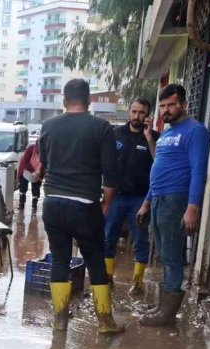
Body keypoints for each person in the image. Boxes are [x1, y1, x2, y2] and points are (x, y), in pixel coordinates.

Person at [36, 79, 122, 334]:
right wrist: (106, 202)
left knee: (60, 259)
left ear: (64, 101)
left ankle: (59, 320)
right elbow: (111, 173)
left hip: (52, 203)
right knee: (95, 260)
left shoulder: (48, 126)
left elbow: (44, 163)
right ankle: (105, 321)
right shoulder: (101, 127)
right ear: (89, 101)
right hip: (84, 205)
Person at [136, 83, 210, 327]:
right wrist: (147, 202)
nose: (166, 111)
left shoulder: (195, 131)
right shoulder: (166, 132)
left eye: (171, 105)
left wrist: (192, 207)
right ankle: (162, 306)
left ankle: (166, 315)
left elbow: (199, 170)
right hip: (158, 199)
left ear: (183, 105)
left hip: (176, 200)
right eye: (163, 106)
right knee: (163, 254)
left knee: (172, 255)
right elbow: (160, 169)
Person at [105, 98, 158, 293]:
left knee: (141, 239)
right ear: (128, 112)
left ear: (148, 115)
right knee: (108, 237)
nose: (137, 116)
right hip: (115, 196)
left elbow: (159, 162)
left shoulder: (154, 137)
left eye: (141, 112)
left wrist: (150, 137)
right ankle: (108, 277)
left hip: (140, 199)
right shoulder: (115, 134)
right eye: (134, 112)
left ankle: (137, 283)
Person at [16, 142, 42, 211]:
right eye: (38, 149)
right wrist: (32, 171)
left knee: (36, 187)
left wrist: (39, 172)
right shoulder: (30, 148)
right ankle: (21, 203)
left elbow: (45, 163)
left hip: (38, 170)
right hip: (26, 169)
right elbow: (25, 161)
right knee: (23, 186)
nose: (39, 150)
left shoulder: (45, 150)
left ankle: (34, 205)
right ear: (36, 146)